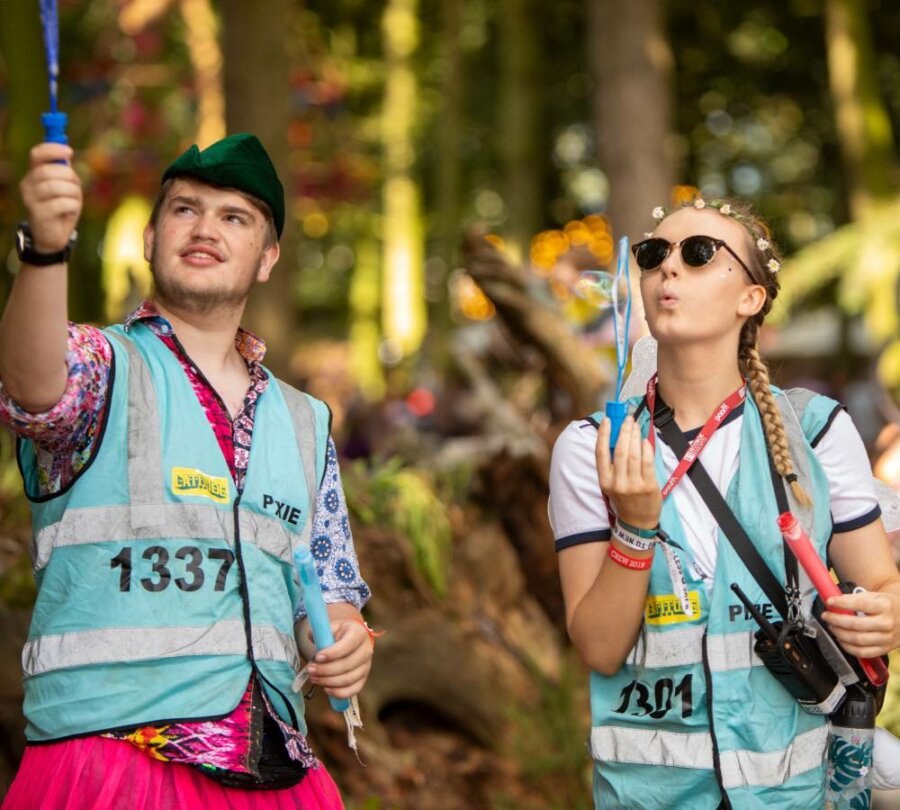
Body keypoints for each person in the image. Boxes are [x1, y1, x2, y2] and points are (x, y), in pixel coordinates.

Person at [0, 134, 375, 809]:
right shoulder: (97, 366)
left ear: (267, 258)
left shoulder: (305, 420)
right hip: (108, 760)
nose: (205, 228)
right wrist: (45, 250)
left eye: (234, 217)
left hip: (274, 767)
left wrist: (347, 638)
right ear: (149, 238)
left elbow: (326, 588)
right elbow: (32, 387)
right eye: (185, 210)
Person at [549, 198, 900, 808]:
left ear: (751, 299)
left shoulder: (816, 431)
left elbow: (880, 585)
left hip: (794, 790)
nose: (669, 269)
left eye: (700, 253)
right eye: (654, 254)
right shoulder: (590, 448)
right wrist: (634, 528)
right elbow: (600, 648)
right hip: (652, 794)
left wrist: (885, 616)